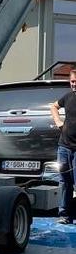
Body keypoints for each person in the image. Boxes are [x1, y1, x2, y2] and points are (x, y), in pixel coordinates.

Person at [50, 66, 76, 223]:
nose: (74, 84)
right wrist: (58, 121)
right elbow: (53, 106)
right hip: (64, 147)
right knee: (65, 181)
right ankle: (64, 215)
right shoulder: (68, 97)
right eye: (72, 81)